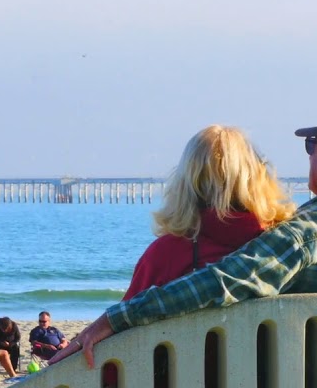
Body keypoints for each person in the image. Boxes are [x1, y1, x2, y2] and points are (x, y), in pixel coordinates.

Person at [51, 102, 317, 367]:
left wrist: (112, 320)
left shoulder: (308, 233)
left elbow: (219, 283)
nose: (308, 155)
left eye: (311, 146)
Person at [123, 125, 294, 300]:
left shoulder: (165, 256)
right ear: (258, 178)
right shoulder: (285, 246)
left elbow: (121, 321)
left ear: (185, 184)